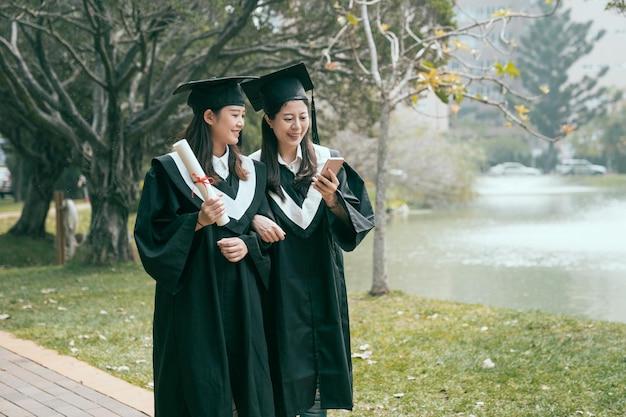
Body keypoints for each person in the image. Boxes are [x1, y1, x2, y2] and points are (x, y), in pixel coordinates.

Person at [134, 76, 275, 417]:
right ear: (209, 117)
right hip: (194, 298)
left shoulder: (250, 172)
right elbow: (150, 236)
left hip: (243, 298)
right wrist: (196, 221)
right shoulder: (169, 172)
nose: (241, 122)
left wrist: (247, 244)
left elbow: (266, 233)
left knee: (248, 384)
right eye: (234, 114)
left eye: (242, 115)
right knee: (198, 381)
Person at [241, 63, 375, 417]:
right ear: (269, 120)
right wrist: (252, 218)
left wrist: (333, 201)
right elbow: (230, 221)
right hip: (276, 285)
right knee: (277, 361)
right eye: (287, 118)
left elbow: (359, 221)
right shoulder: (250, 169)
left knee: (319, 363)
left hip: (321, 281)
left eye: (302, 117)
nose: (297, 126)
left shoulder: (328, 162)